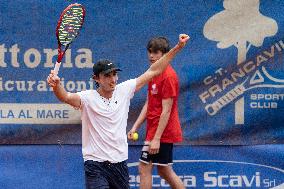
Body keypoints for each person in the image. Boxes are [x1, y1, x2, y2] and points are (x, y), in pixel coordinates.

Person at [47, 34, 189, 189]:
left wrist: (177, 48)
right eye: (107, 75)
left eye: (114, 74)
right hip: (95, 165)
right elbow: (66, 96)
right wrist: (56, 86)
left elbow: (154, 70)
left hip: (119, 164)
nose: (112, 79)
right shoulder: (87, 98)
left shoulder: (125, 89)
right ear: (96, 79)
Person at [128, 36, 185, 189]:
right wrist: (135, 126)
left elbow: (166, 111)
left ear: (165, 54)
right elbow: (149, 103)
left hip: (162, 132)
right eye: (150, 52)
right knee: (164, 171)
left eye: (156, 52)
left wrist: (157, 138)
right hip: (153, 130)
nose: (151, 56)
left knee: (144, 168)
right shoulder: (153, 74)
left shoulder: (169, 77)